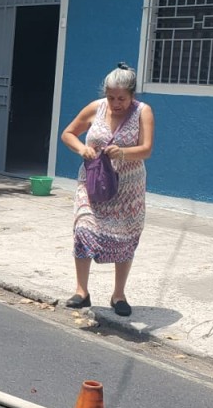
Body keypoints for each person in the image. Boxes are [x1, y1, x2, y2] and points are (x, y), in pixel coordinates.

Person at [60, 63, 155, 317]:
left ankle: (118, 294)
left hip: (128, 188)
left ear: (132, 95)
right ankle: (82, 292)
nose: (115, 103)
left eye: (121, 98)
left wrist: (123, 152)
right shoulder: (95, 108)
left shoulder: (143, 112)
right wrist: (82, 149)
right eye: (111, 97)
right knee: (83, 228)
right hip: (92, 181)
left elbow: (146, 149)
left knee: (125, 237)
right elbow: (68, 133)